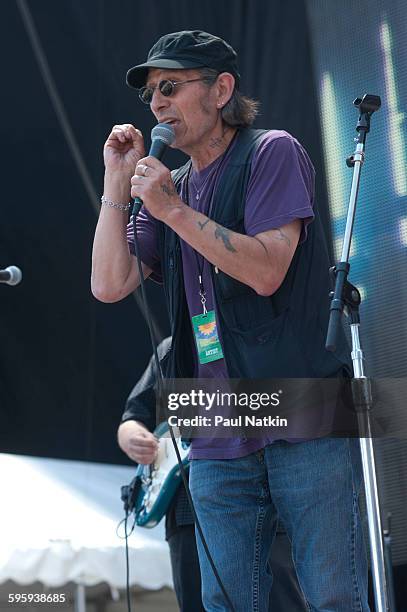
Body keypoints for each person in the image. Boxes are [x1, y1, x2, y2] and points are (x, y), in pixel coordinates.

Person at [92, 30, 369, 611]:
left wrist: (171, 210)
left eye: (170, 87)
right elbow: (109, 284)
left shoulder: (270, 152)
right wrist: (118, 181)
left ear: (221, 90)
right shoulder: (177, 186)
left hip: (300, 403)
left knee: (332, 594)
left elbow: (266, 270)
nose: (158, 104)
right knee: (226, 600)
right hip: (215, 420)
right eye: (151, 96)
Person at [118, 337, 307, 612]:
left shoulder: (262, 335)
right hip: (186, 514)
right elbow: (132, 418)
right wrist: (133, 436)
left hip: (262, 504)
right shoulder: (171, 349)